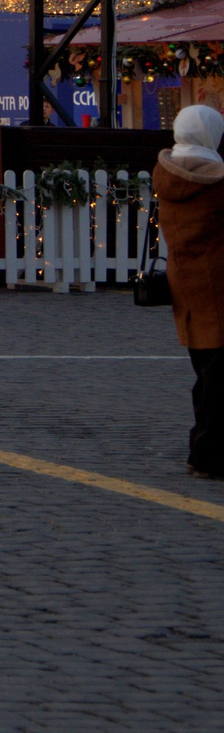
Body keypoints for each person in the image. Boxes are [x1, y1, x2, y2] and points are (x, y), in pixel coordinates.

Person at [153, 101, 224, 480]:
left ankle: (204, 448)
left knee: (207, 372)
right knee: (217, 381)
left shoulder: (167, 174)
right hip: (218, 285)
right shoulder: (214, 181)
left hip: (187, 284)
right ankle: (208, 454)